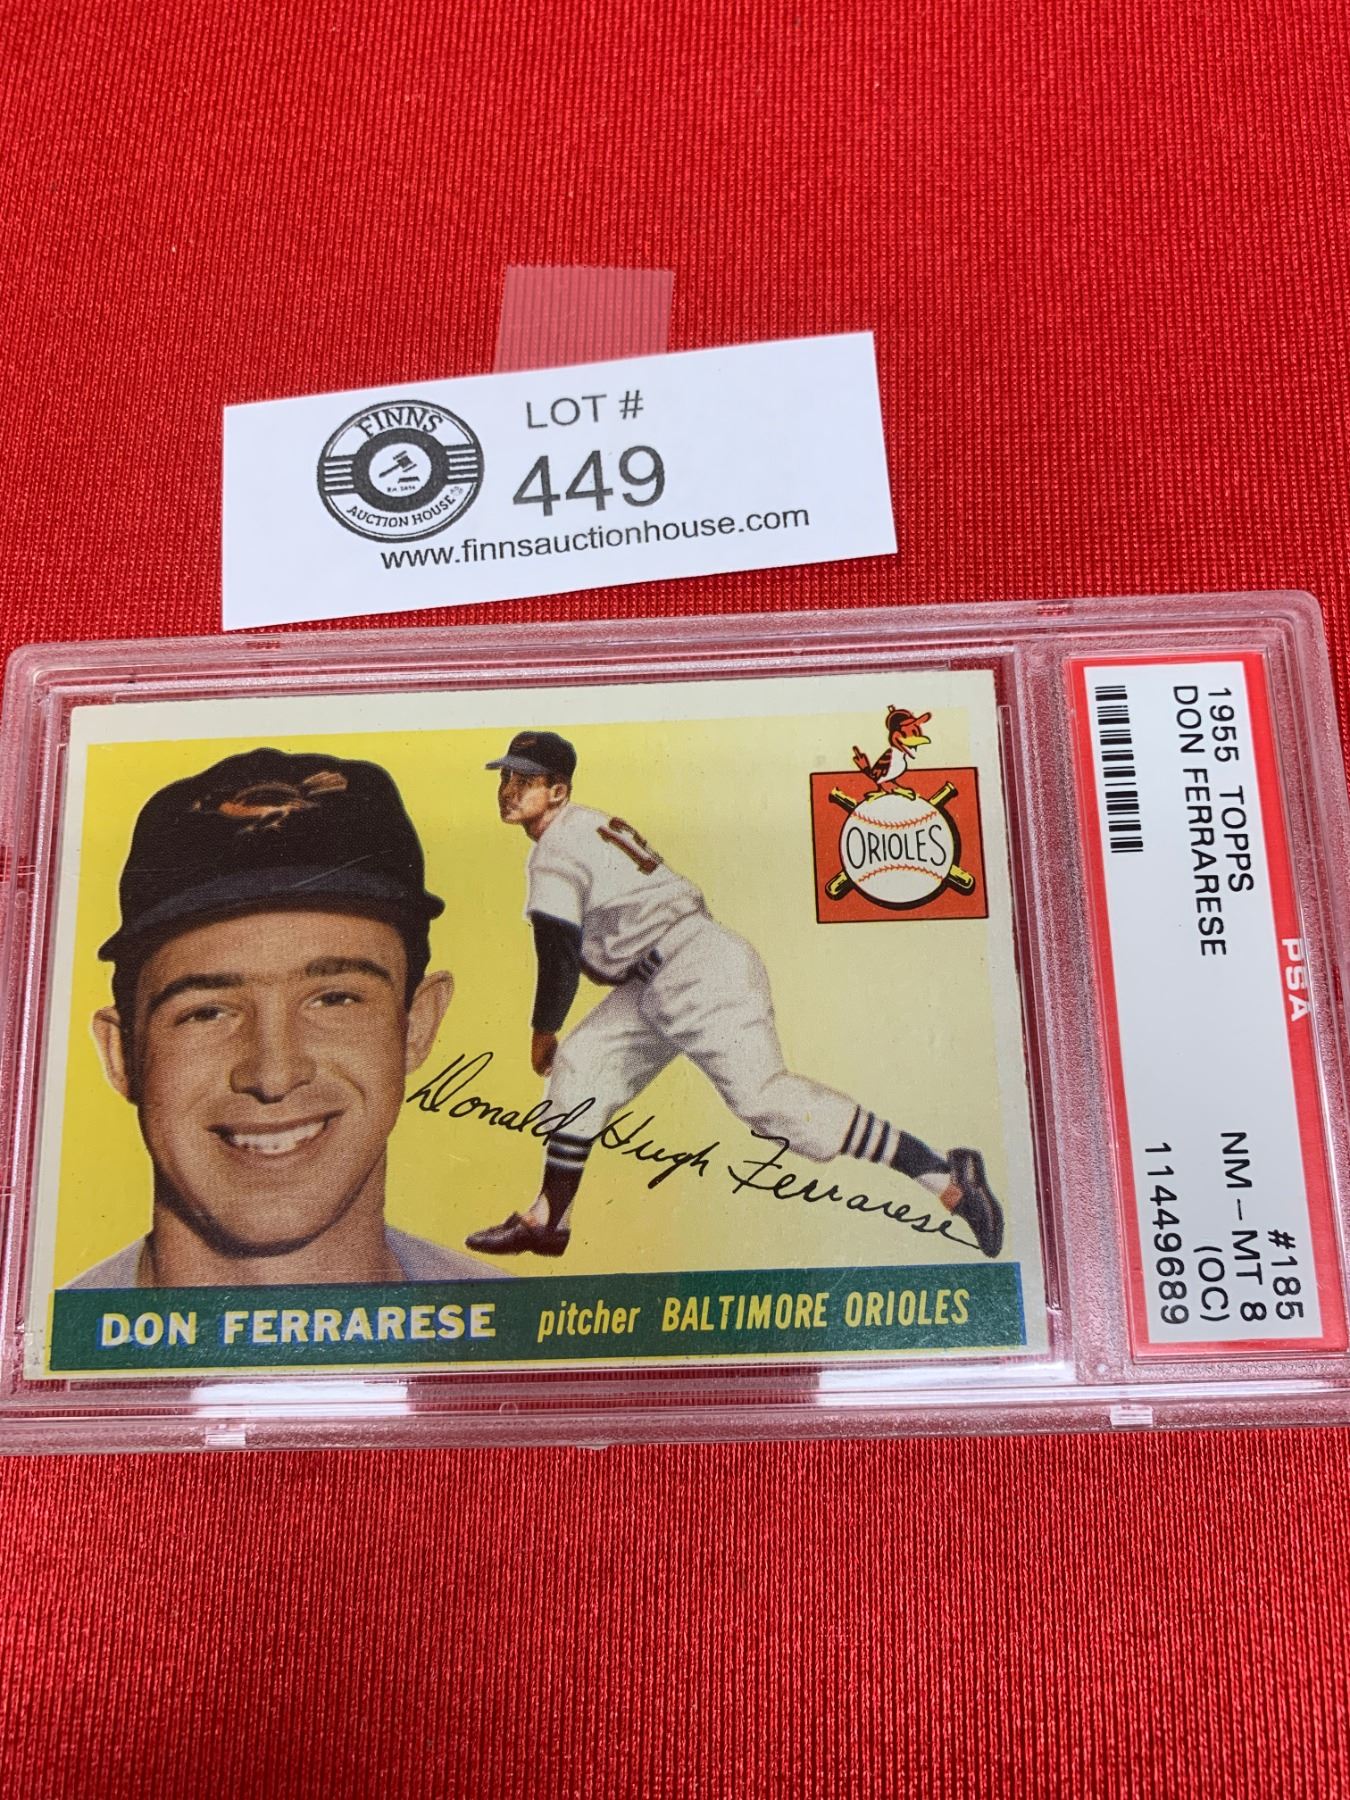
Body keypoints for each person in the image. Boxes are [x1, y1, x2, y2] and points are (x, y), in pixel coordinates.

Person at [465, 731, 1005, 1261]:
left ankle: (944, 1176)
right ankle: (549, 1221)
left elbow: (558, 950)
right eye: (506, 777)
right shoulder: (587, 823)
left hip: (696, 970)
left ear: (557, 791)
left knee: (765, 1101)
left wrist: (543, 1031)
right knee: (580, 1067)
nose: (509, 790)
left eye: (525, 780)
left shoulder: (556, 850)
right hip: (664, 971)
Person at [69, 747, 507, 1289]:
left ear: (417, 1025)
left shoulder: (523, 1330)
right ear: (121, 1055)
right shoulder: (36, 1335)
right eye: (207, 1011)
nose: (273, 1076)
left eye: (335, 999)